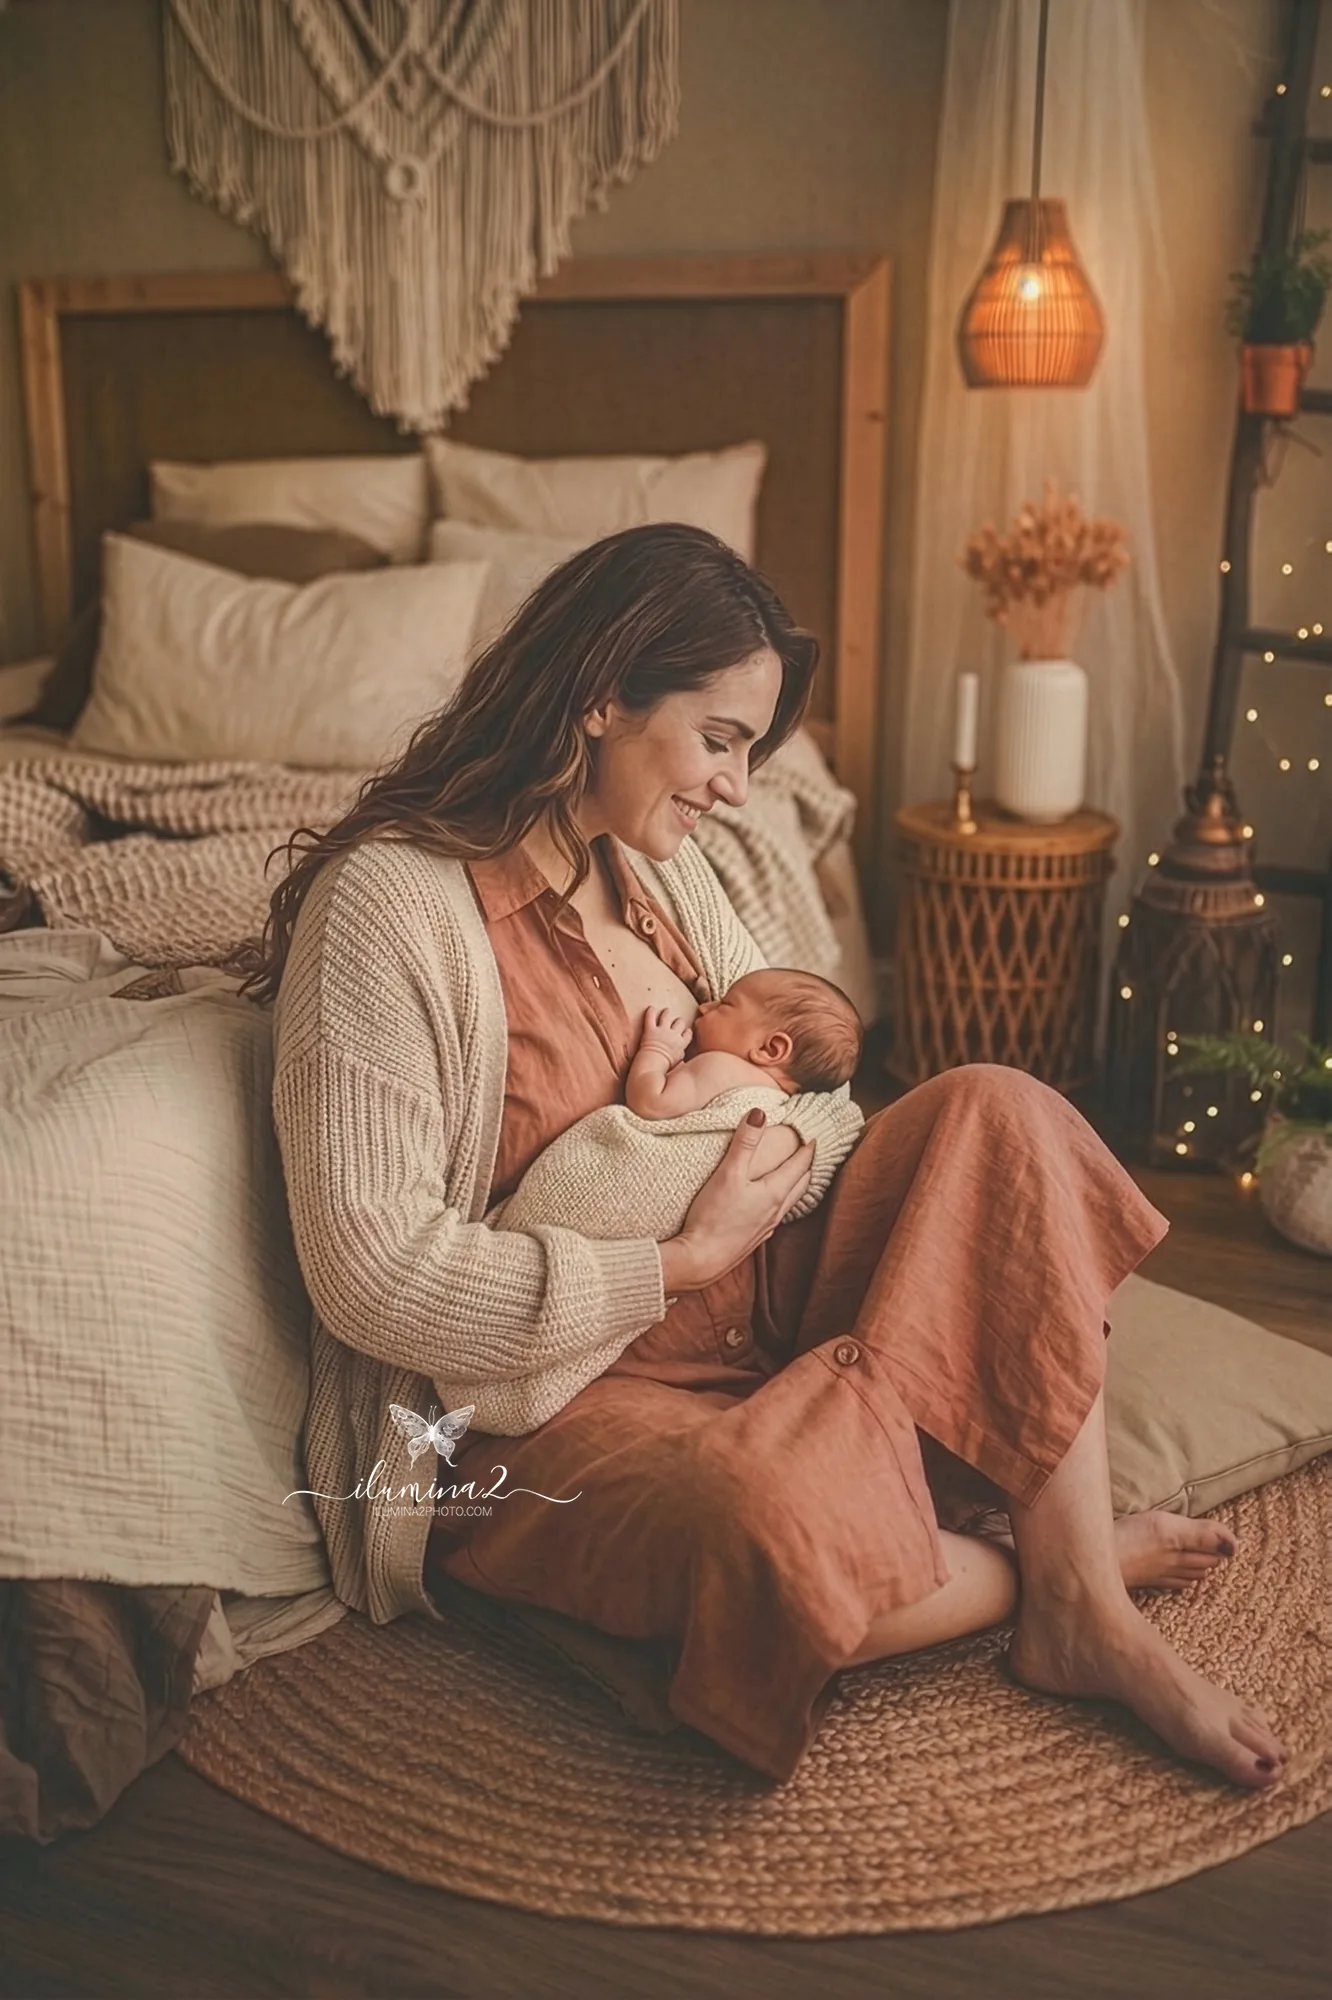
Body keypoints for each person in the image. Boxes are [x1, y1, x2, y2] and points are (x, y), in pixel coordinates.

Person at [250, 522, 1285, 1791]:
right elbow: (371, 1275)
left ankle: (1079, 1615)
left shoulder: (660, 878)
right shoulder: (388, 912)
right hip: (557, 1400)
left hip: (784, 1309)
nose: (738, 790)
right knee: (764, 1539)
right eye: (720, 740)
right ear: (598, 696)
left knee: (1002, 1114)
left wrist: (808, 1183)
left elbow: (825, 1098)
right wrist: (679, 1257)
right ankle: (1062, 1565)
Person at [625, 969, 863, 1119]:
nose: (705, 1007)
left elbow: (650, 1104)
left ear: (769, 1050)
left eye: (726, 1004)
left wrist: (657, 1050)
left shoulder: (720, 1068)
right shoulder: (780, 1100)